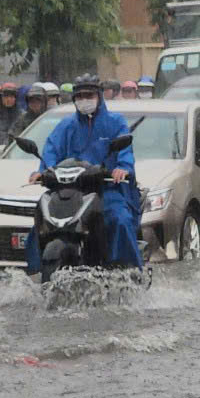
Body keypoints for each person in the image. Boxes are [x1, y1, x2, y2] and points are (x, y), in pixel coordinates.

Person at [24, 74, 141, 273]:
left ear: (99, 96)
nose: (84, 100)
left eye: (89, 95)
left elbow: (125, 151)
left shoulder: (115, 122)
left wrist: (122, 168)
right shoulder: (66, 125)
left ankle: (130, 272)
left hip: (106, 189)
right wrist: (43, 171)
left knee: (119, 219)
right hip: (70, 190)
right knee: (40, 225)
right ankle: (34, 273)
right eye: (79, 96)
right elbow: (51, 150)